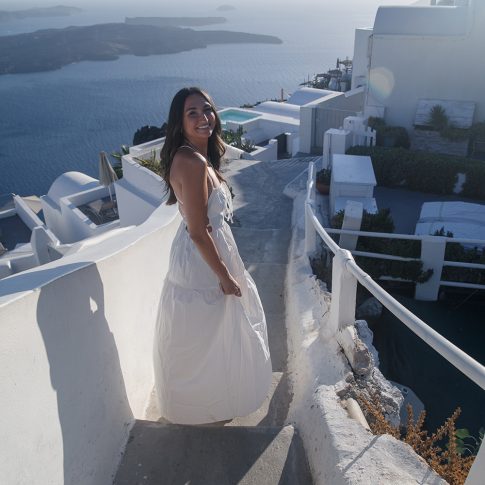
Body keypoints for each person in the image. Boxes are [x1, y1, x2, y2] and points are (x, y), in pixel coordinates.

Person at [153, 87, 272, 425]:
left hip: (206, 252)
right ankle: (202, 407)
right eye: (192, 113)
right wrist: (225, 276)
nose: (203, 117)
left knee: (211, 333)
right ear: (179, 122)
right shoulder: (191, 161)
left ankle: (212, 403)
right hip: (201, 259)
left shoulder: (195, 157)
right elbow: (197, 231)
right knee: (205, 332)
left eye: (207, 109)